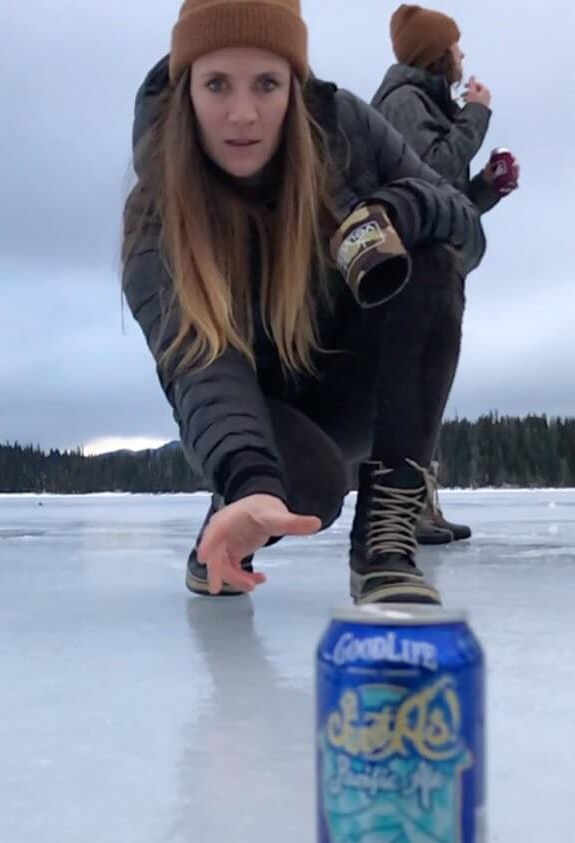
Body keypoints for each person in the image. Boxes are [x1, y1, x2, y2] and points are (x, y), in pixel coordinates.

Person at [122, 0, 485, 605]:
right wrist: (250, 476)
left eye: (267, 83)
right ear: (187, 91)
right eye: (217, 84)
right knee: (305, 489)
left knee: (432, 258)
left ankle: (386, 540)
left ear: (295, 83)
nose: (243, 114)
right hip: (255, 406)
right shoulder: (156, 217)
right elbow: (202, 369)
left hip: (346, 380)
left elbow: (466, 231)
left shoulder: (347, 130)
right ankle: (233, 511)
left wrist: (398, 211)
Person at [372, 4, 520, 545]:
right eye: (456, 47)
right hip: (416, 276)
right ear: (438, 54)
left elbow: (446, 198)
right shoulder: (405, 102)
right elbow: (430, 179)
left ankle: (419, 507)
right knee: (414, 391)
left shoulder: (422, 103)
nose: (462, 56)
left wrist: (486, 188)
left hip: (435, 271)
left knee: (428, 389)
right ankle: (405, 509)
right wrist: (476, 114)